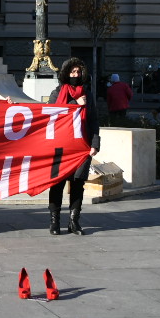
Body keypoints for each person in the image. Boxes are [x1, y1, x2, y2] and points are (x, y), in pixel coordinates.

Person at [46, 57, 97, 235]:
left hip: (81, 146)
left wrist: (95, 144)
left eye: (78, 72)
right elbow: (53, 115)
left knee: (77, 184)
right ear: (66, 73)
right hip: (60, 146)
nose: (76, 75)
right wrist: (75, 104)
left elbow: (93, 121)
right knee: (57, 183)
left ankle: (74, 222)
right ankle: (55, 221)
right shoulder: (57, 92)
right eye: (72, 72)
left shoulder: (87, 94)